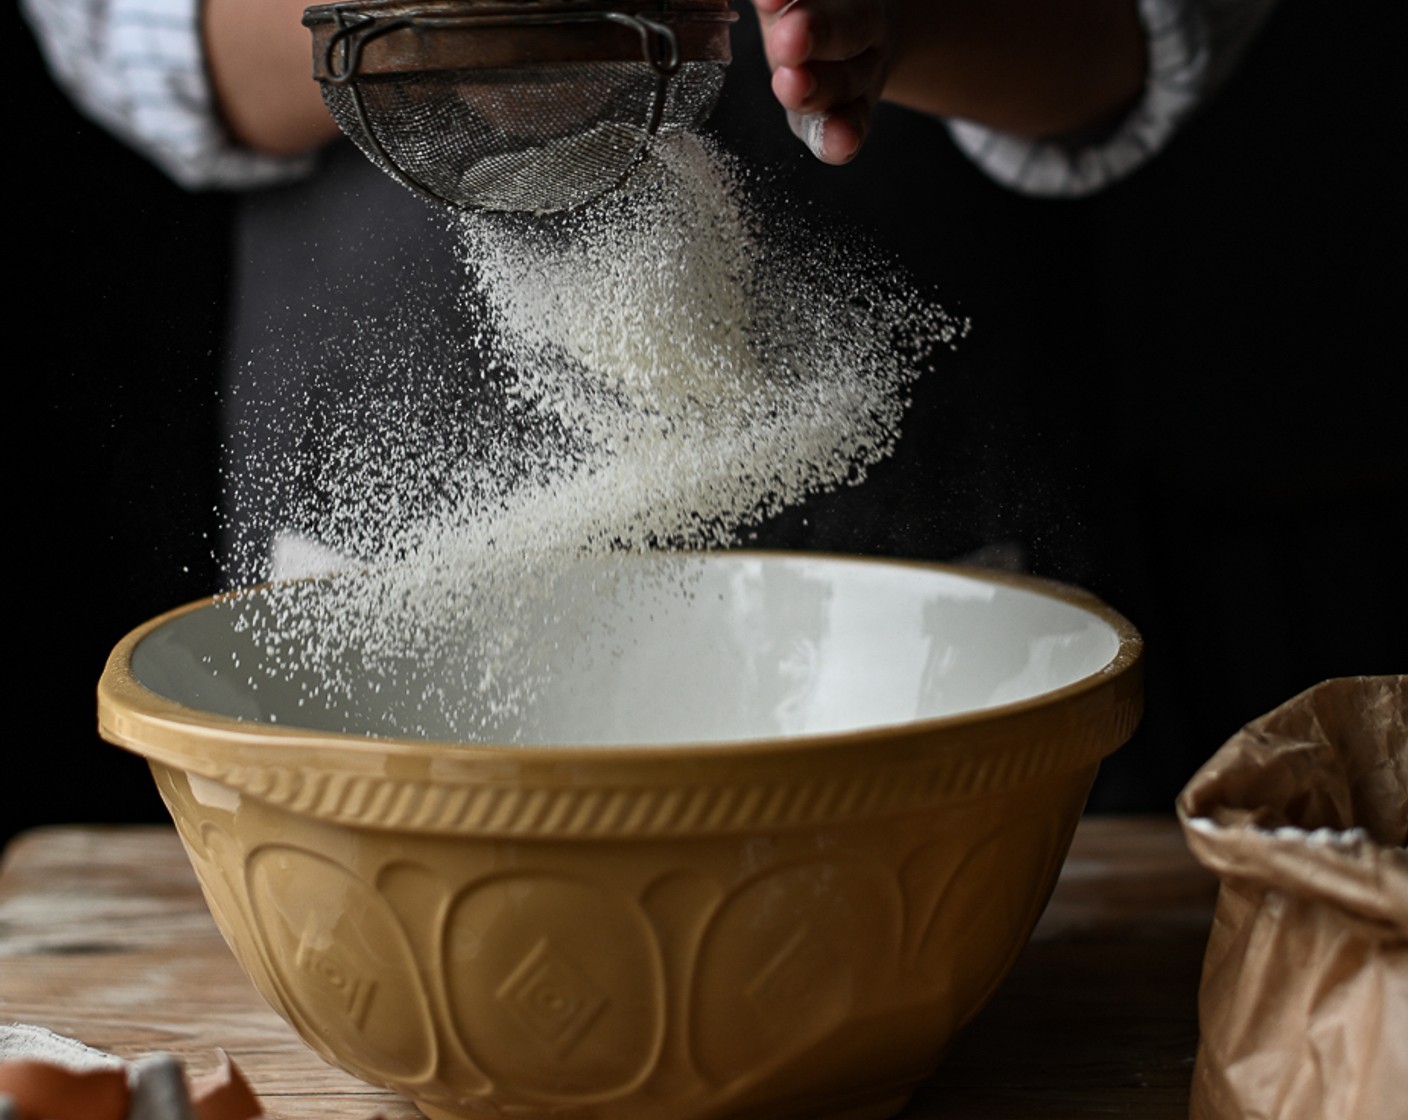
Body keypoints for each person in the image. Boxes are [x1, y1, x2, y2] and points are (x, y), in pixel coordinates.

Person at [33, 0, 1381, 819]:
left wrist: (896, 23)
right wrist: (432, 21)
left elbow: (1133, 41)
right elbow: (134, 38)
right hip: (374, 583)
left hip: (921, 589)